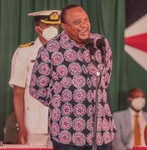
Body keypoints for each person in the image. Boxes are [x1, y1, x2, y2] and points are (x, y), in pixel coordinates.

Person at [29, 4, 115, 150]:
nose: (84, 25)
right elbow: (37, 88)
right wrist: (62, 101)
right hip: (67, 133)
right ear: (64, 26)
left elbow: (105, 80)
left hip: (101, 132)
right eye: (77, 22)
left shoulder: (101, 44)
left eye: (86, 20)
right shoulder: (50, 49)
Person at [8, 10, 61, 146]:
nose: (53, 29)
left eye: (55, 26)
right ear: (38, 28)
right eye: (48, 26)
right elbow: (18, 93)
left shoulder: (65, 52)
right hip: (34, 125)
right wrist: (21, 127)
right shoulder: (24, 52)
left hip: (62, 125)